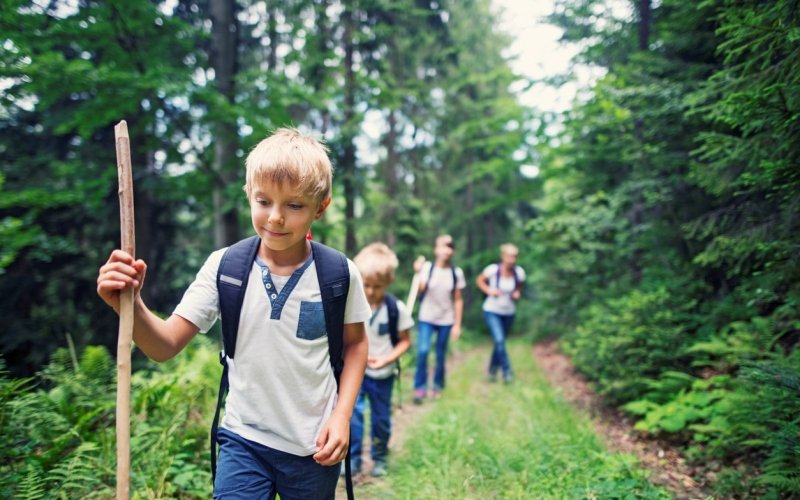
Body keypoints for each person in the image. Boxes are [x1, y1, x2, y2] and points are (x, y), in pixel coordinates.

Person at [96, 128, 371, 499]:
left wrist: (341, 418)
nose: (275, 218)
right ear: (248, 194)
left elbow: (355, 345)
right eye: (264, 201)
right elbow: (164, 346)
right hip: (243, 440)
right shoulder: (224, 267)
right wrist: (128, 305)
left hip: (313, 447)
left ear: (320, 207)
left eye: (294, 206)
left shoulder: (338, 274)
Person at [348, 242, 413, 478]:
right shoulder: (351, 305)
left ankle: (379, 457)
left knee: (381, 418)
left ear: (388, 282)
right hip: (355, 373)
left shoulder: (396, 309)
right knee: (353, 415)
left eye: (377, 286)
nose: (370, 291)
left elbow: (405, 341)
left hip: (383, 375)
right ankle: (353, 458)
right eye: (366, 285)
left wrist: (387, 359)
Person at [412, 234, 465, 404]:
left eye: (450, 247)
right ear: (436, 249)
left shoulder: (456, 273)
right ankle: (420, 387)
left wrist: (457, 325)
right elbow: (419, 291)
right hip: (427, 317)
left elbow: (458, 300)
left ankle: (437, 386)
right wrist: (418, 273)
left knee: (440, 354)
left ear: (453, 251)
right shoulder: (427, 268)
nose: (446, 250)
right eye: (443, 246)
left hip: (446, 319)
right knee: (423, 351)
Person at [475, 243, 525, 384]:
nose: (512, 259)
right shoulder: (492, 270)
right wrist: (489, 290)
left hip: (509, 312)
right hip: (492, 310)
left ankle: (492, 371)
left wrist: (517, 293)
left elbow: (519, 286)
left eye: (514, 256)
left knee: (500, 343)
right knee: (499, 340)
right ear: (503, 256)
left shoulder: (519, 273)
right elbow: (479, 281)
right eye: (509, 256)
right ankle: (507, 372)